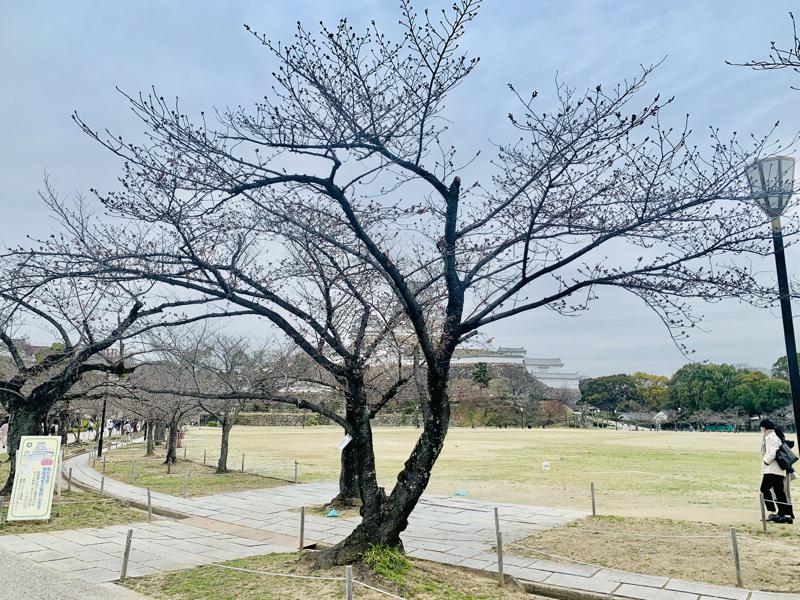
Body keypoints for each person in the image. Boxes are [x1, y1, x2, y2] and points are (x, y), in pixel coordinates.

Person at [760, 418, 794, 524]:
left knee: (764, 490)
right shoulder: (773, 436)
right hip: (777, 470)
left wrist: (766, 462)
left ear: (764, 427)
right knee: (779, 492)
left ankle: (773, 512)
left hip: (772, 469)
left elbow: (772, 453)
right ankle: (785, 514)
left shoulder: (771, 437)